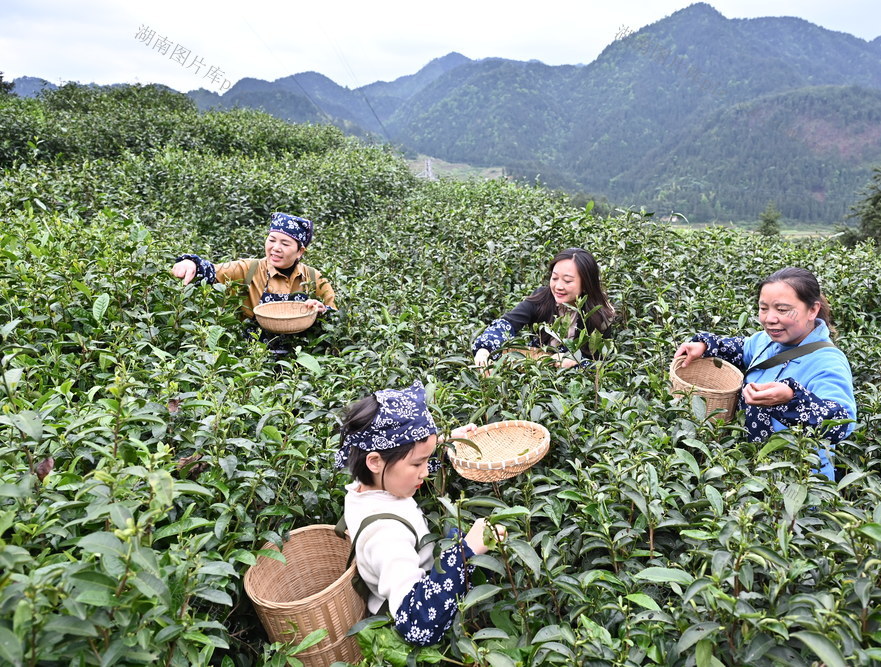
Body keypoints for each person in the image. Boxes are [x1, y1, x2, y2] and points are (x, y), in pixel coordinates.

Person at [337, 381, 505, 646]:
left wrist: (445, 446)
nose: (425, 472)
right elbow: (418, 625)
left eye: (427, 460)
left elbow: (401, 461)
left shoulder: (365, 486)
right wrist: (467, 550)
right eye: (418, 463)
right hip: (421, 599)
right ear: (375, 460)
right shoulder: (387, 537)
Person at [673, 267, 856, 480]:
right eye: (763, 308)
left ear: (813, 310)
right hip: (752, 471)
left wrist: (791, 398)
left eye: (783, 309)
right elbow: (741, 348)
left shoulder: (827, 361)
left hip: (798, 481)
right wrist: (706, 345)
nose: (770, 318)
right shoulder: (766, 341)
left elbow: (842, 423)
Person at [170, 212, 337, 332]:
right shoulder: (248, 269)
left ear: (300, 251)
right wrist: (190, 263)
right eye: (272, 240)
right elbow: (211, 271)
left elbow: (335, 319)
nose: (275, 248)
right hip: (254, 357)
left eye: (285, 244)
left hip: (300, 358)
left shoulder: (314, 277)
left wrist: (321, 311)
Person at [472, 248, 615, 369]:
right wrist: (484, 350)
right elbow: (506, 324)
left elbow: (599, 364)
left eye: (567, 281)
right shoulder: (541, 298)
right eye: (554, 278)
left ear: (586, 284)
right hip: (538, 369)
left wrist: (574, 361)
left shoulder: (600, 315)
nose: (558, 286)